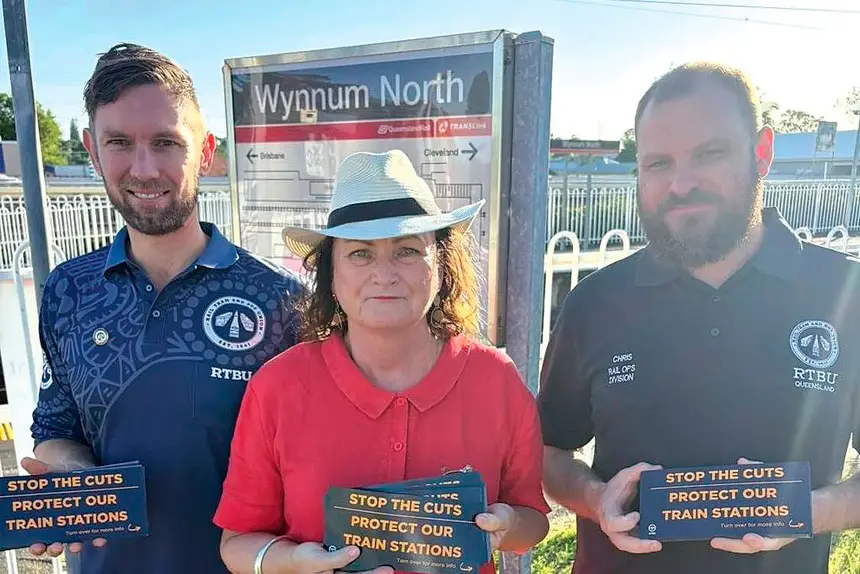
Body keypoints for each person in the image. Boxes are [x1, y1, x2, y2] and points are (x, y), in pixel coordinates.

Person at [538, 62, 860, 574]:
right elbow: (549, 453)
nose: (681, 184)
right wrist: (596, 498)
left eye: (709, 154)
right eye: (658, 163)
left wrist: (808, 511)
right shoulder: (595, 302)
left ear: (762, 153)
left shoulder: (845, 294)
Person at [26, 43, 305, 574]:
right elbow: (57, 427)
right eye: (119, 143)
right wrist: (70, 477)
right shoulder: (69, 290)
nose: (144, 167)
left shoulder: (280, 299)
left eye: (165, 142)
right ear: (91, 149)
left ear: (204, 150)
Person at [212, 149, 550, 574]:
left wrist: (506, 525)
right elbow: (238, 542)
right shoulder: (276, 388)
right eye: (360, 253)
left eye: (407, 251)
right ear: (330, 274)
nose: (385, 273)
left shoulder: (497, 381)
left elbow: (532, 518)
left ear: (441, 266)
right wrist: (295, 563)